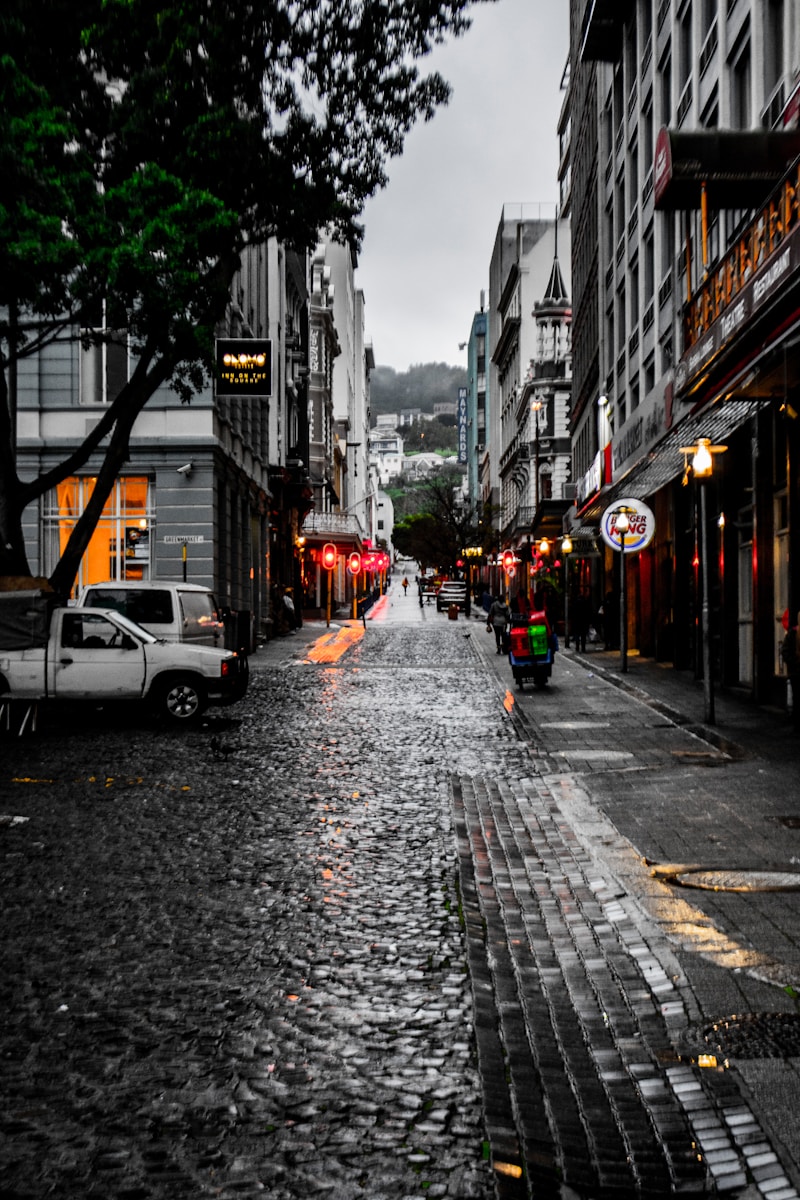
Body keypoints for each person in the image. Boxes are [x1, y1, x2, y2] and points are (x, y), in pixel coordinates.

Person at [782, 611, 800, 731]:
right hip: (796, 673)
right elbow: (785, 652)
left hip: (795, 672)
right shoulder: (792, 634)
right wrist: (795, 662)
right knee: (797, 699)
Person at [571, 587, 592, 652]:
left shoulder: (575, 603)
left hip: (577, 621)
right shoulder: (585, 602)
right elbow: (588, 612)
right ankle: (583, 648)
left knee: (577, 634)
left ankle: (577, 647)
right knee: (583, 635)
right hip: (583, 621)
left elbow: (572, 612)